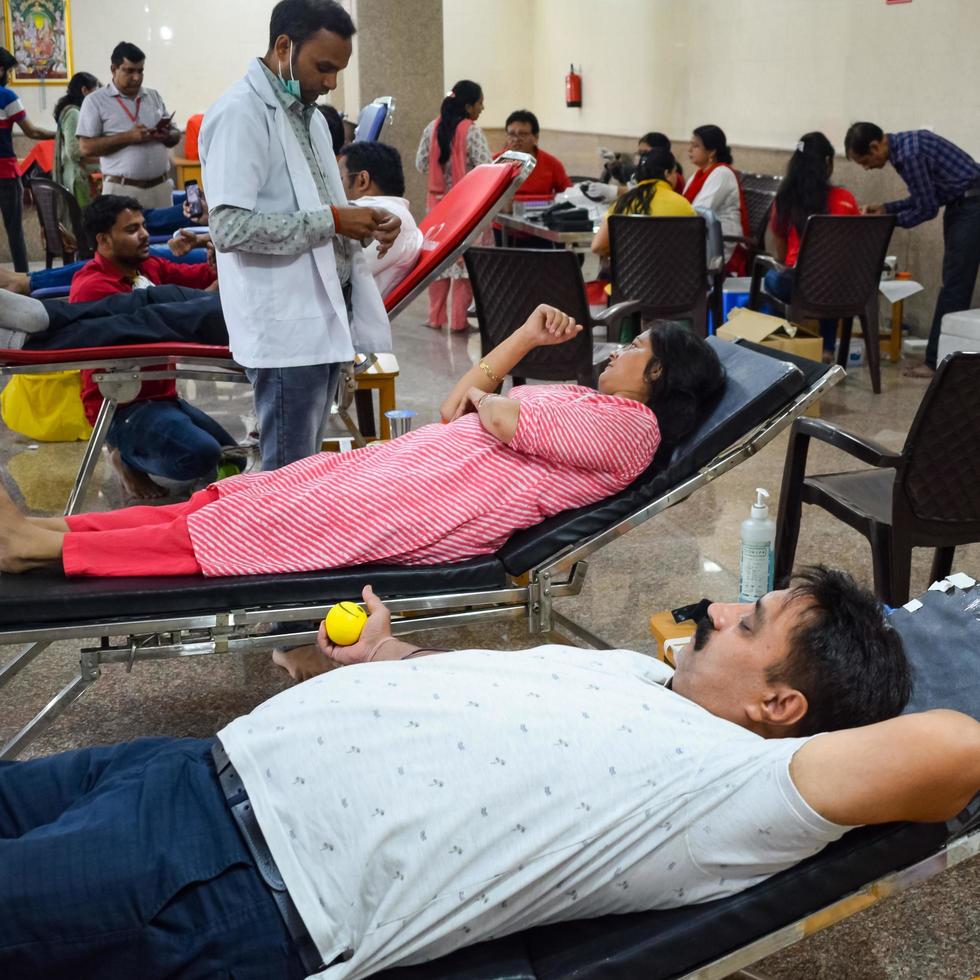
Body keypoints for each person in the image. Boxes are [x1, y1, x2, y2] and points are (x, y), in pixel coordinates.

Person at [2, 569, 978, 979]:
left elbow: (948, 748)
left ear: (778, 708)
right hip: (189, 766)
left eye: (748, 620)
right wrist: (387, 665)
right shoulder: (639, 672)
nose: (717, 606)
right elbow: (484, 717)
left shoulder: (735, 787)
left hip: (225, 873)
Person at [0, 307, 724, 577]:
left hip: (430, 505)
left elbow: (497, 418)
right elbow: (457, 406)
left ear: (657, 374)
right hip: (414, 475)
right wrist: (524, 339)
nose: (618, 350)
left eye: (635, 349)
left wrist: (490, 397)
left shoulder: (635, 426)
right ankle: (50, 529)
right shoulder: (595, 406)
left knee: (244, 528)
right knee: (241, 497)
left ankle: (39, 547)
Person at [200, 0, 400, 473]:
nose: (331, 83)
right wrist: (334, 220)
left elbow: (310, 204)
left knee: (302, 465)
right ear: (283, 47)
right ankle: (273, 548)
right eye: (324, 67)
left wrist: (361, 218)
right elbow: (229, 229)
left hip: (323, 317)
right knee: (288, 473)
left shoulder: (307, 116)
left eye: (338, 71)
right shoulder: (240, 113)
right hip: (284, 325)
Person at [66, 194, 234, 499]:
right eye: (131, 230)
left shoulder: (145, 267)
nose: (144, 234)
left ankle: (157, 441)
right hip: (122, 405)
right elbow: (169, 325)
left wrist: (216, 265)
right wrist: (209, 295)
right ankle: (124, 456)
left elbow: (198, 279)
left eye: (143, 226)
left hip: (162, 396)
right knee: (202, 455)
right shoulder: (93, 288)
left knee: (231, 456)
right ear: (103, 240)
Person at [844, 122, 980, 379]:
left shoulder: (908, 155)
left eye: (864, 160)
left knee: (954, 286)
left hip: (971, 206)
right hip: (965, 203)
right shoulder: (906, 146)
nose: (866, 167)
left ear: (875, 146)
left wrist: (887, 221)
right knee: (955, 284)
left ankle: (935, 362)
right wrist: (886, 208)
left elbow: (926, 209)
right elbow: (925, 198)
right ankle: (944, 360)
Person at [764, 132, 860, 360]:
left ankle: (780, 344)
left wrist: (786, 266)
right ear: (828, 162)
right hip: (847, 289)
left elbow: (780, 244)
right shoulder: (845, 199)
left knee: (769, 278)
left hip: (800, 286)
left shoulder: (786, 198)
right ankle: (827, 348)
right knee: (831, 276)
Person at [416, 79, 493, 331]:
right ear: (469, 105)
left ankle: (435, 318)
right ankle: (459, 322)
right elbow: (486, 168)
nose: (482, 108)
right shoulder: (471, 131)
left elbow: (421, 164)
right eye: (480, 103)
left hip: (438, 207)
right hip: (467, 208)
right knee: (464, 263)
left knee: (439, 261)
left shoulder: (432, 128)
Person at [76, 41, 180, 210]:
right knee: (126, 237)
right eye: (129, 71)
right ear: (113, 69)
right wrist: (128, 137)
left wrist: (168, 135)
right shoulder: (95, 101)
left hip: (160, 189)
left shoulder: (153, 96)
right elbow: (86, 148)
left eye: (140, 71)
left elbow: (175, 134)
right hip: (122, 191)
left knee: (166, 237)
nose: (136, 77)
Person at [337, 140, 423, 297]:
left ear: (363, 180)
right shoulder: (398, 214)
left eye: (338, 178)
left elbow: (333, 274)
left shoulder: (384, 216)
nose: (333, 187)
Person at [0, 46, 55, 273]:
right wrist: (59, 134)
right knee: (14, 230)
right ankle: (23, 277)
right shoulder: (7, 96)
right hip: (5, 173)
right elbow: (31, 132)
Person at [591, 146, 695, 257]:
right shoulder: (683, 205)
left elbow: (597, 246)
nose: (676, 177)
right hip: (674, 272)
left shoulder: (623, 203)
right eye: (674, 172)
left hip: (630, 273)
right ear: (667, 174)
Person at [683, 124, 750, 274]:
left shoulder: (722, 173)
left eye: (696, 146)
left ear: (712, 151)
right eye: (690, 145)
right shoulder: (697, 175)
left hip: (722, 244)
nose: (689, 150)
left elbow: (699, 212)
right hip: (702, 237)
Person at [52, 71, 101, 207]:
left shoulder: (77, 111)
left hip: (81, 176)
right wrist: (103, 151)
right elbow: (74, 151)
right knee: (84, 223)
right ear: (84, 90)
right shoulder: (73, 113)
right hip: (79, 178)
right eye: (94, 93)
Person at [499, 109, 571, 199]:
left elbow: (568, 195)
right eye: (512, 134)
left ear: (536, 137)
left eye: (523, 134)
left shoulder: (552, 164)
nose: (516, 139)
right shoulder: (495, 163)